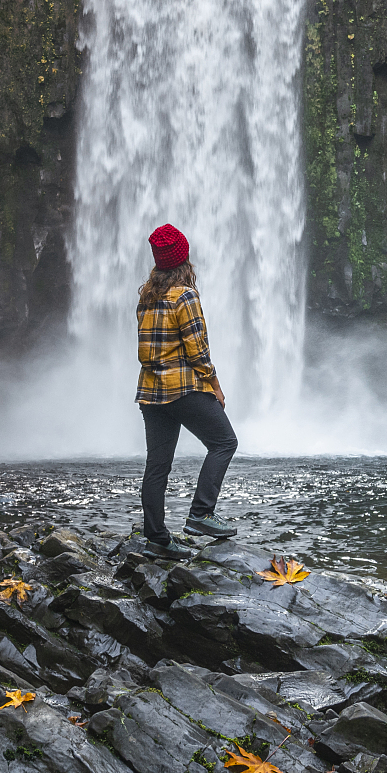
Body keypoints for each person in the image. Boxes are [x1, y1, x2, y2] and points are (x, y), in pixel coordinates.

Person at [135, 223, 239, 554]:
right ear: (184, 259)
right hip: (181, 389)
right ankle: (201, 514)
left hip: (150, 393)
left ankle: (156, 540)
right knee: (224, 442)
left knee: (157, 465)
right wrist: (215, 387)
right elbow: (198, 352)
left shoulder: (147, 296)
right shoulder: (186, 296)